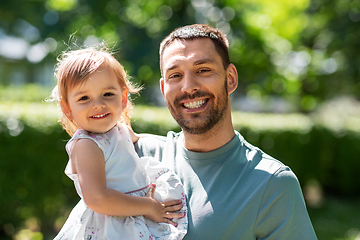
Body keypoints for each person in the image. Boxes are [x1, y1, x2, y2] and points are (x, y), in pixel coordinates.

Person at [134, 24, 318, 239]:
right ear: (164, 89)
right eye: (175, 75)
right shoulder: (138, 156)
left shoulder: (272, 184)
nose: (188, 87)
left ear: (230, 78)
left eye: (203, 70)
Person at [50, 45, 187, 240]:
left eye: (107, 94)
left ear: (123, 98)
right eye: (84, 98)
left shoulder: (119, 130)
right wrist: (148, 206)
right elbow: (98, 199)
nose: (98, 104)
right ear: (68, 108)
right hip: (108, 225)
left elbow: (139, 139)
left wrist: (179, 144)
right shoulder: (87, 145)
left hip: (131, 216)